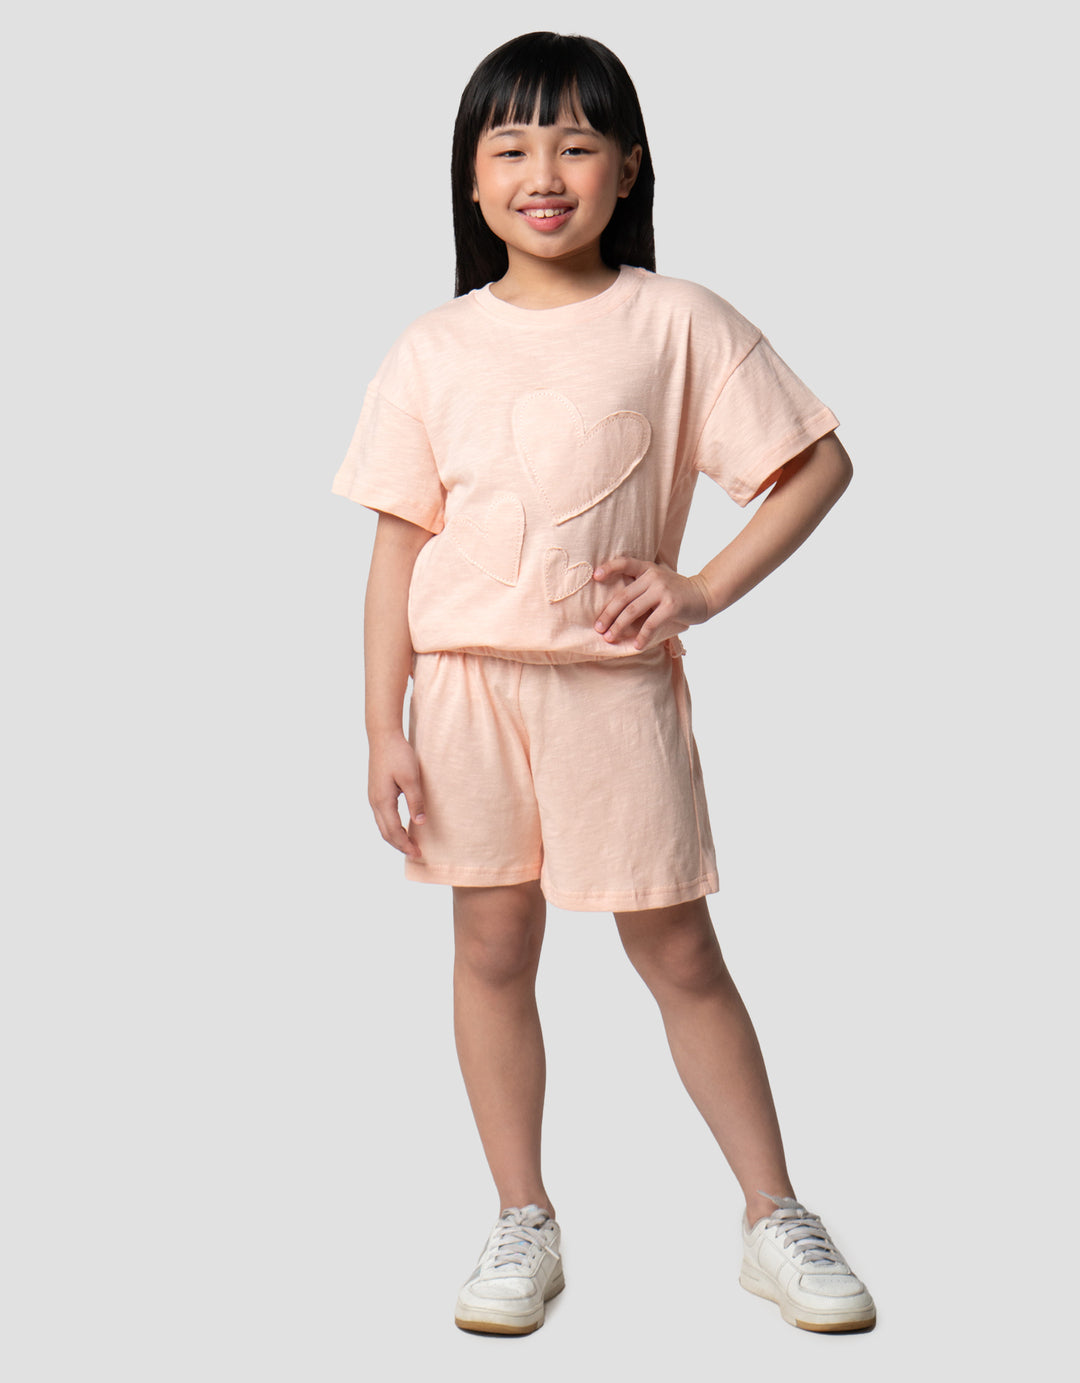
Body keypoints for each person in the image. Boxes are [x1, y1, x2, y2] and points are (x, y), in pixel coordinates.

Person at [332, 31, 875, 1337]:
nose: (544, 173)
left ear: (627, 169)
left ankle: (773, 1213)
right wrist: (381, 729)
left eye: (576, 145)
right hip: (463, 695)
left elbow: (816, 465)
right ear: (470, 176)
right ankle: (522, 1214)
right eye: (512, 146)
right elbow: (398, 547)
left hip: (610, 691)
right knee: (491, 945)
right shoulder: (433, 348)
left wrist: (703, 588)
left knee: (677, 946)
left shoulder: (676, 321)